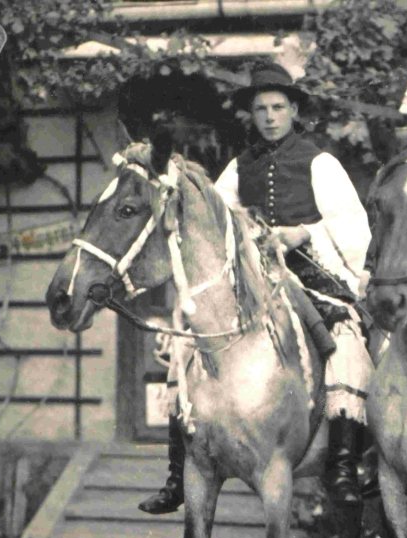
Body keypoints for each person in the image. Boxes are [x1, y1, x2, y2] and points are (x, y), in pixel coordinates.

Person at [139, 62, 374, 514]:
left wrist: (304, 233)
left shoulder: (319, 162)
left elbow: (350, 224)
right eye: (261, 108)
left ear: (293, 111)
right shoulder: (236, 168)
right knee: (187, 343)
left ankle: (342, 465)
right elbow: (214, 224)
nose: (269, 117)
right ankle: (176, 473)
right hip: (249, 279)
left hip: (308, 272)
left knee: (344, 340)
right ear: (252, 114)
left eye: (278, 107)